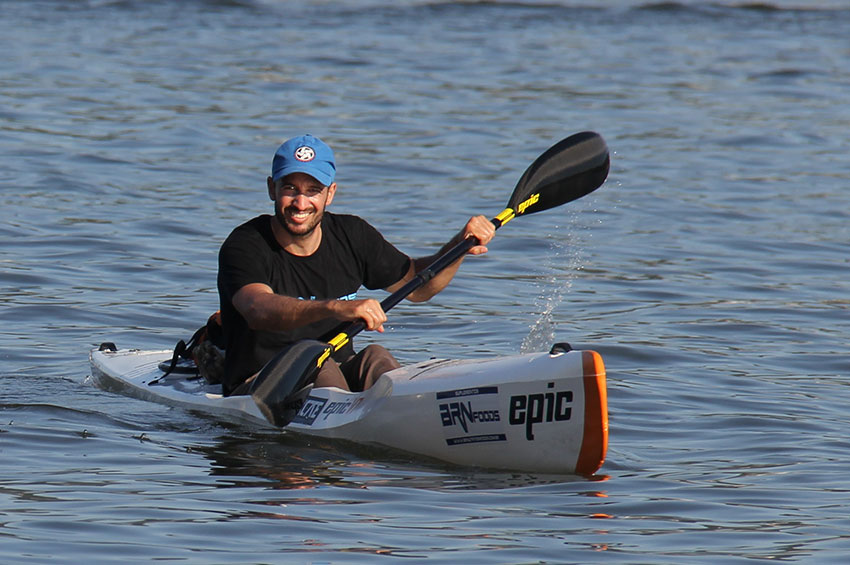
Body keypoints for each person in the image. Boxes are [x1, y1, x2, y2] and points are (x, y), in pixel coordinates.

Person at [217, 134, 495, 396]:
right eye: (290, 188)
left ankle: (409, 412)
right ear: (271, 189)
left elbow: (418, 287)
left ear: (330, 194)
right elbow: (257, 309)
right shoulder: (246, 244)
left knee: (377, 356)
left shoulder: (352, 235)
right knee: (317, 361)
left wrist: (458, 247)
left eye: (313, 190)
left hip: (335, 373)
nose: (301, 203)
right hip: (261, 382)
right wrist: (337, 308)